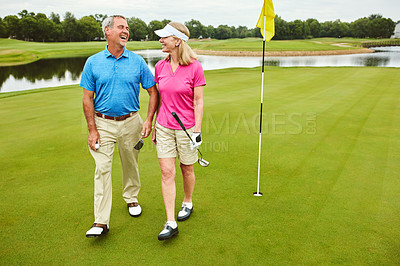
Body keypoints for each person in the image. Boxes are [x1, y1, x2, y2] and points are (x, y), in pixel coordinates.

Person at [81, 15, 158, 238]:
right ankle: (100, 221)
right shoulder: (93, 62)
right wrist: (92, 129)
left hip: (132, 122)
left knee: (131, 163)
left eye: (127, 28)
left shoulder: (137, 61)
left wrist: (148, 119)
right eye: (121, 27)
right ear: (108, 30)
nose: (126, 31)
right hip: (102, 123)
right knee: (102, 168)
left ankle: (131, 197)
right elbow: (87, 98)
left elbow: (152, 91)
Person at [152, 22, 206, 240]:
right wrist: (154, 125)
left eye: (165, 37)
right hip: (164, 126)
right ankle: (170, 222)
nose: (161, 41)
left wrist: (197, 131)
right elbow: (158, 99)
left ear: (177, 40)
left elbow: (199, 102)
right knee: (167, 172)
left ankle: (187, 202)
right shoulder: (159, 66)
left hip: (186, 128)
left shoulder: (195, 67)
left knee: (186, 169)